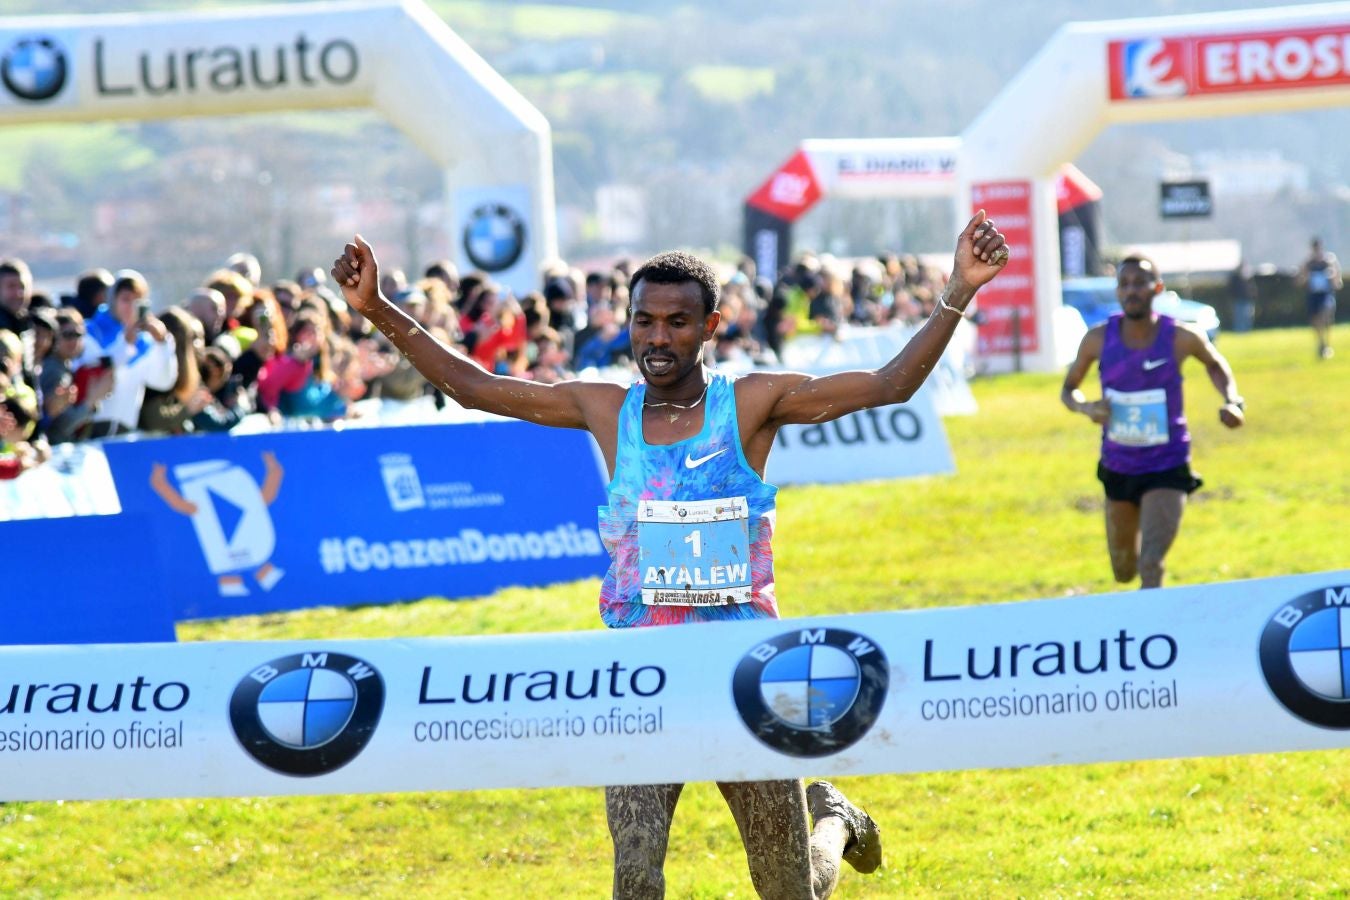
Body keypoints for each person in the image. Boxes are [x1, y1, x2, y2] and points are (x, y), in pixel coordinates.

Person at [333, 213, 1008, 897]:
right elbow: (473, 389)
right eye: (644, 321)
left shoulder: (750, 405)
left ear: (711, 326)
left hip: (746, 679)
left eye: (678, 323)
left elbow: (890, 385)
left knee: (788, 890)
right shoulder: (604, 410)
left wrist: (959, 288)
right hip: (640, 680)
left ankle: (832, 820)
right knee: (635, 880)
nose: (658, 338)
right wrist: (376, 309)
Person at [1061, 254, 1244, 590]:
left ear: (1156, 288)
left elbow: (1216, 365)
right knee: (1123, 569)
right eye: (1124, 284)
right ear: (1117, 292)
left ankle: (1151, 638)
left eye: (1140, 282)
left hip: (1167, 465)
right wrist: (1088, 409)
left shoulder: (1180, 336)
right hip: (1119, 464)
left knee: (1150, 562)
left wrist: (1232, 401)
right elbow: (1068, 390)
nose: (1132, 290)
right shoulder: (1098, 339)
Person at [1298, 237, 1341, 359]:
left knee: (1326, 316)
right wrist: (1305, 277)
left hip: (1325, 294)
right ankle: (1320, 343)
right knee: (1315, 320)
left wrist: (1333, 276)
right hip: (1313, 295)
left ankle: (1326, 344)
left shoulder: (1329, 260)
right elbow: (1300, 280)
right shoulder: (1308, 263)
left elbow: (1337, 279)